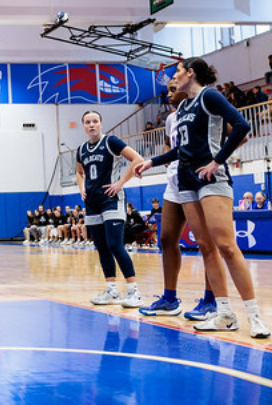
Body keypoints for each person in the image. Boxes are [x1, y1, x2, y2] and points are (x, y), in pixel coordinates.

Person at [135, 57, 269, 338]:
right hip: (186, 181)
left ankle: (255, 316)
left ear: (191, 73)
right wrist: (152, 162)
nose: (174, 77)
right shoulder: (183, 107)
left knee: (227, 246)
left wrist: (217, 161)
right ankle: (225, 314)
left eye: (177, 72)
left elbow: (242, 126)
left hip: (210, 178)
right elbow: (181, 149)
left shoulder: (209, 96)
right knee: (206, 248)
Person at [139, 80, 216, 320]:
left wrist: (216, 160)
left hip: (198, 178)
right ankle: (170, 299)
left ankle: (211, 300)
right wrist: (159, 160)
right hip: (174, 180)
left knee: (206, 243)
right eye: (169, 90)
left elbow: (232, 133)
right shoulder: (172, 118)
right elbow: (169, 145)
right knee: (166, 238)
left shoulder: (204, 108)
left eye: (173, 89)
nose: (169, 95)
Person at [76, 110, 145, 308]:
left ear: (101, 124)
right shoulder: (81, 149)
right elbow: (80, 172)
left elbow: (138, 159)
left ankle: (134, 291)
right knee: (102, 247)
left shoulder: (111, 142)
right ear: (83, 126)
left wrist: (120, 183)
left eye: (95, 121)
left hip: (111, 199)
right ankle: (112, 291)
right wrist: (81, 188)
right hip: (92, 202)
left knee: (115, 245)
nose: (91, 125)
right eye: (87, 122)